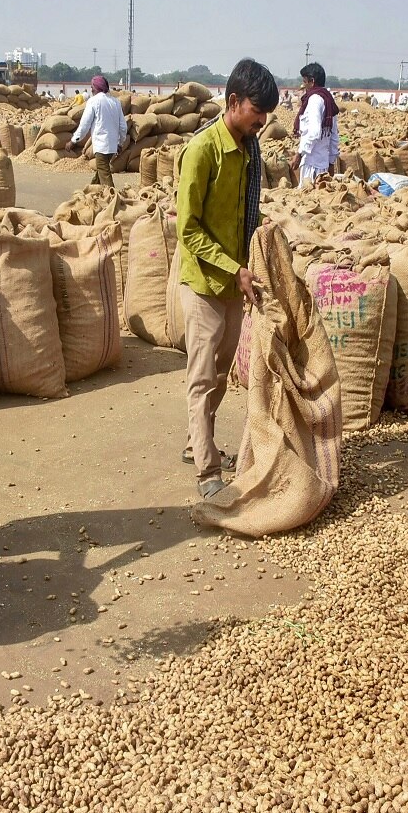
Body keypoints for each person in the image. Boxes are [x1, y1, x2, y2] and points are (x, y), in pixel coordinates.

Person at [175, 58, 276, 499]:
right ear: (234, 102)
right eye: (258, 111)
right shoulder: (202, 151)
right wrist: (233, 267)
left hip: (236, 280)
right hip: (204, 281)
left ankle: (198, 440)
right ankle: (207, 471)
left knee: (220, 373)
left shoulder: (251, 150)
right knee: (201, 376)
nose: (263, 121)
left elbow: (247, 214)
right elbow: (188, 229)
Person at [66, 75, 126, 188]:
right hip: (112, 146)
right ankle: (89, 194)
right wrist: (120, 143)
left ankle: (114, 200)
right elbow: (123, 126)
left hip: (101, 145)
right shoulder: (115, 102)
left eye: (92, 87)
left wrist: (73, 141)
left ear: (97, 87)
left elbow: (85, 124)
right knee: (101, 172)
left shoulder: (93, 101)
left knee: (105, 175)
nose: (91, 89)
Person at [290, 62, 340, 185]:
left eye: (305, 82)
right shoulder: (328, 100)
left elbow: (313, 133)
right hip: (323, 165)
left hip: (311, 165)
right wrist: (331, 162)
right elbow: (334, 135)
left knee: (308, 199)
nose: (304, 85)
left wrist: (299, 154)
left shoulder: (314, 100)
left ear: (312, 81)